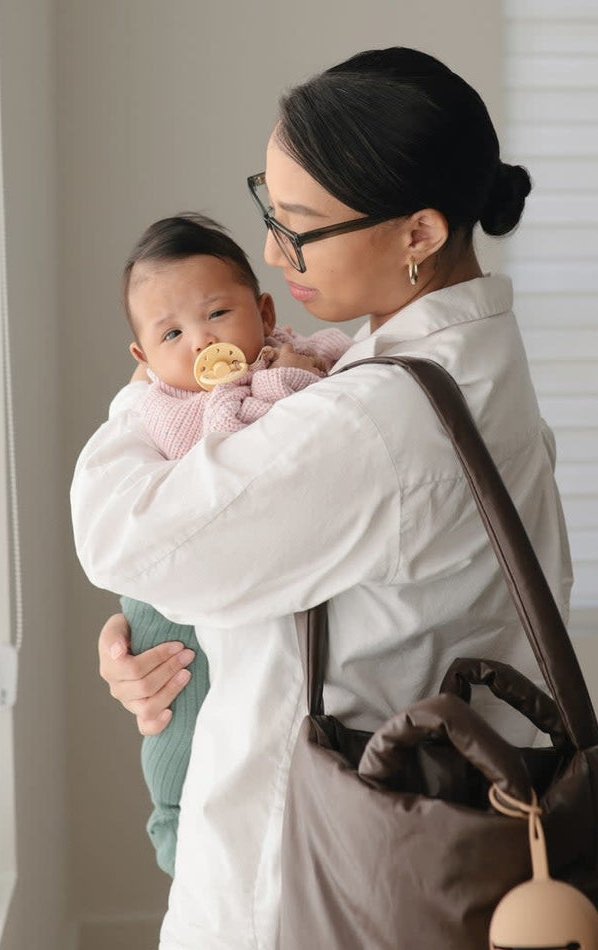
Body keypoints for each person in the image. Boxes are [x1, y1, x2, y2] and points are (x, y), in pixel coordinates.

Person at [71, 46, 573, 950]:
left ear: (420, 233)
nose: (270, 244)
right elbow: (330, 584)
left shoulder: (376, 419)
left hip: (293, 920)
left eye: (299, 223)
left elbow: (120, 533)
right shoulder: (455, 360)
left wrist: (160, 382)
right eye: (268, 202)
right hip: (395, 883)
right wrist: (184, 637)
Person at [117, 212, 351, 876]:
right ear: (143, 360)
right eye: (171, 334)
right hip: (163, 605)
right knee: (177, 716)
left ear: (264, 309)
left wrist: (292, 365)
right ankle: (173, 823)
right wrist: (274, 379)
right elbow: (227, 443)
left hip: (229, 576)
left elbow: (329, 375)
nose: (201, 341)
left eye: (218, 313)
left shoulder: (297, 347)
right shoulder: (167, 402)